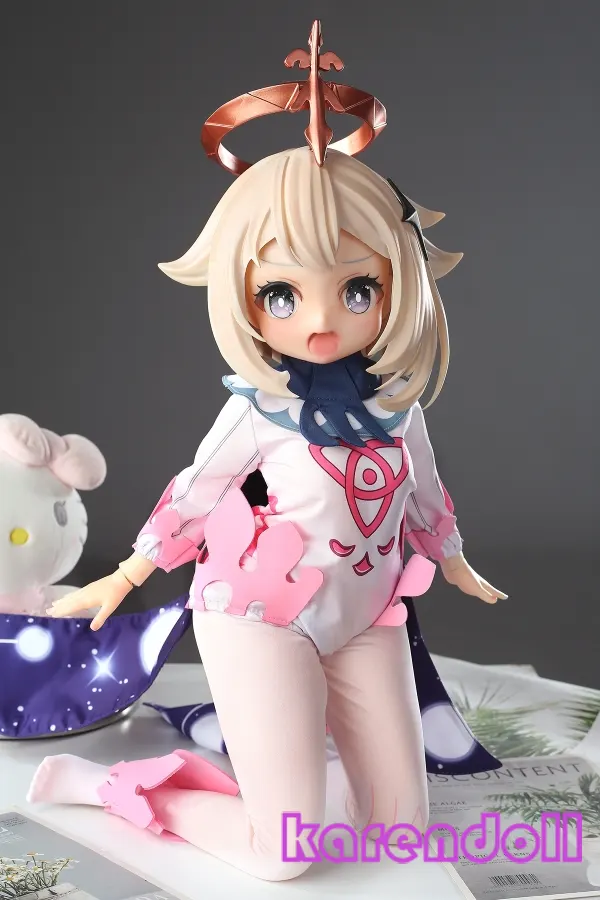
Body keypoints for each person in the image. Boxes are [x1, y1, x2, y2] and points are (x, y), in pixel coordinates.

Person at [27, 21, 506, 883]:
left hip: (364, 616)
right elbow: (194, 491)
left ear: (397, 281)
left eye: (358, 288)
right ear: (244, 295)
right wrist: (127, 574)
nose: (320, 320)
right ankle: (114, 788)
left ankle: (283, 780)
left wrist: (455, 560)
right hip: (259, 612)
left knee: (398, 830)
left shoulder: (396, 406)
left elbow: (425, 495)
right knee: (283, 856)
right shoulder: (263, 408)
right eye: (281, 293)